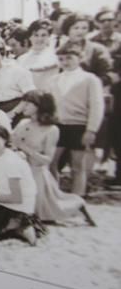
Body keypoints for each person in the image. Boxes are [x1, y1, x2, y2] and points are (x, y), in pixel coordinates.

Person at [12, 91, 95, 226]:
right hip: (20, 170)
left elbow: (47, 160)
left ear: (40, 106)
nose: (24, 106)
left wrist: (25, 149)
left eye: (28, 103)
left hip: (37, 173)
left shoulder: (51, 129)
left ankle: (77, 204)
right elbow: (12, 143)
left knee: (44, 214)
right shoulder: (23, 123)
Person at [50, 43, 104, 198]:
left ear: (79, 58)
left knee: (77, 165)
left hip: (79, 126)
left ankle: (77, 198)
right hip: (58, 126)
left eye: (69, 58)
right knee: (51, 162)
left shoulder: (89, 79)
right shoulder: (55, 79)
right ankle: (54, 196)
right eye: (61, 59)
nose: (65, 62)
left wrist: (91, 129)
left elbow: (96, 105)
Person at [16, 20, 60, 89]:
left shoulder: (55, 57)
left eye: (44, 35)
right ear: (30, 37)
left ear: (49, 37)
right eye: (36, 35)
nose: (39, 39)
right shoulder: (21, 59)